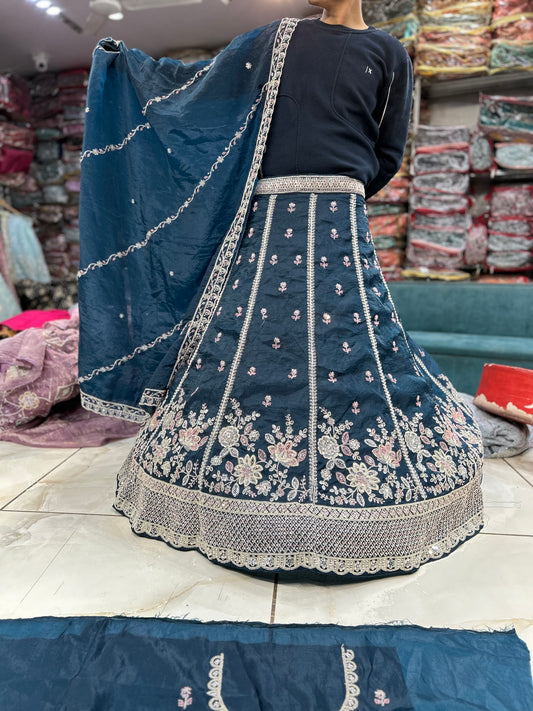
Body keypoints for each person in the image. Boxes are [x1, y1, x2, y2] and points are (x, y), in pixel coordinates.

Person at [78, 0, 484, 580]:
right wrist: (130, 69)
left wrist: (339, 189)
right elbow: (197, 92)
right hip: (268, 227)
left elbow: (389, 150)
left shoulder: (390, 54)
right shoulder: (274, 40)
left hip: (343, 225)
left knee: (356, 347)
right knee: (248, 348)